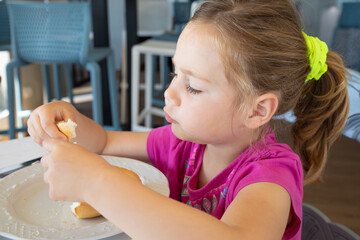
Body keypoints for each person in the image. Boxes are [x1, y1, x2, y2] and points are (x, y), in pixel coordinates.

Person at [27, 0, 349, 239]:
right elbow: (106, 142)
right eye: (175, 73)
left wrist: (98, 184)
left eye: (192, 86)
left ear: (257, 111)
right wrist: (67, 121)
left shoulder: (270, 174)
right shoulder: (183, 143)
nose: (169, 93)